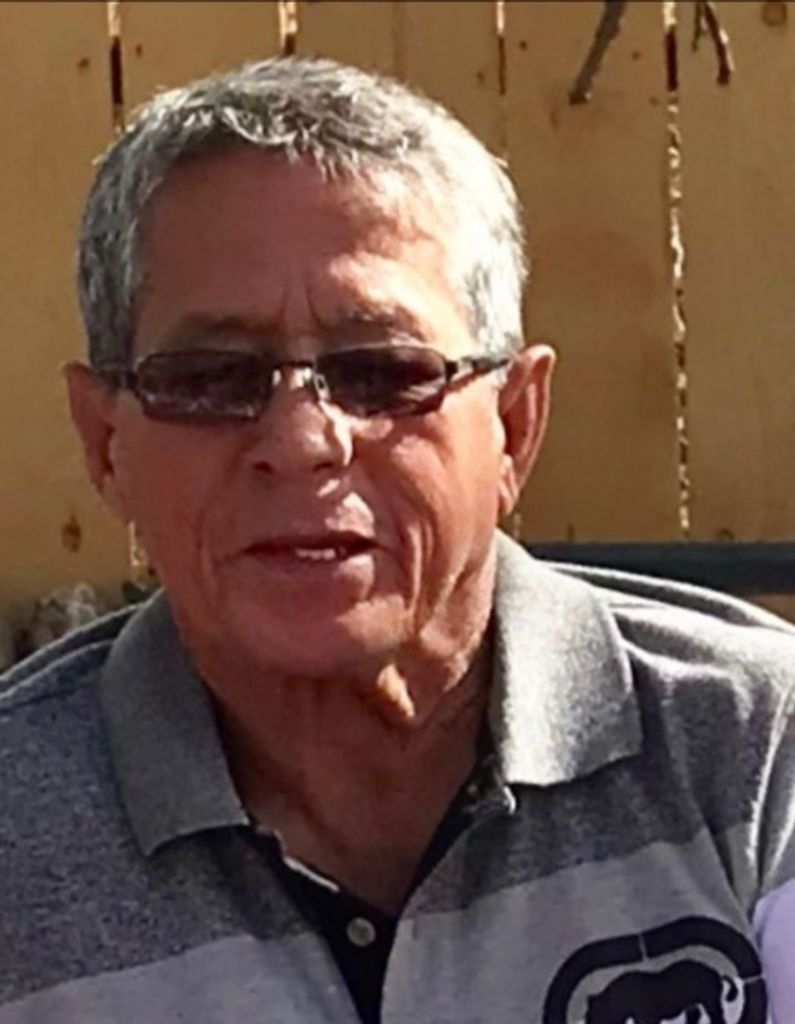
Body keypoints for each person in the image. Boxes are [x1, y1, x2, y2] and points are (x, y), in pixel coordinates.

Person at [0, 57, 792, 1024]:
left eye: (380, 370)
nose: (302, 441)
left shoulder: (757, 751)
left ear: (514, 424)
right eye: (210, 377)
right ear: (103, 441)